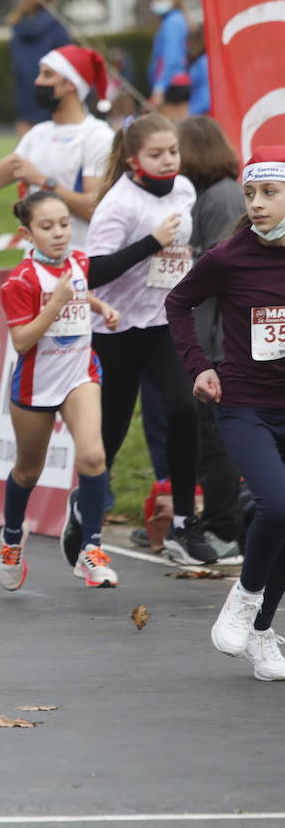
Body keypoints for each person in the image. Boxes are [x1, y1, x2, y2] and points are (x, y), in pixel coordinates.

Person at [165, 146, 285, 680]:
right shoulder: (228, 256)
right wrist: (197, 366)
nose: (257, 204)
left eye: (270, 193)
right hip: (244, 404)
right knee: (278, 505)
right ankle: (245, 595)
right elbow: (177, 303)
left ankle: (262, 632)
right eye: (251, 194)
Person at [82, 112, 215, 565]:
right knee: (112, 431)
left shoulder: (184, 191)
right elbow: (92, 272)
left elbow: (184, 252)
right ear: (134, 159)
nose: (167, 161)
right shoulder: (118, 204)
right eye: (156, 154)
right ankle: (85, 517)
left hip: (164, 323)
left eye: (172, 152)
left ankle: (182, 524)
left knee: (184, 408)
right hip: (117, 329)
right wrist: (152, 243)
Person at [0, 191, 143, 589]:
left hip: (80, 373)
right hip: (36, 384)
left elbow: (80, 289)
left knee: (94, 457)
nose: (59, 233)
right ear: (27, 233)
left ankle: (91, 550)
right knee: (29, 471)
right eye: (47, 227)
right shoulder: (20, 282)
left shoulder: (78, 260)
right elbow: (22, 341)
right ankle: (12, 537)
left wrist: (99, 308)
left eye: (64, 224)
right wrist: (55, 304)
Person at [178, 116, 248, 560]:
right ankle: (213, 518)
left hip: (221, 341)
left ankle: (224, 527)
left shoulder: (221, 196)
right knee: (203, 437)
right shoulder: (203, 195)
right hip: (205, 335)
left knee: (217, 439)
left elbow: (227, 269)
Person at [0, 44, 114, 248]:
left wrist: (43, 181)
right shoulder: (37, 134)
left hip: (78, 264)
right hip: (35, 266)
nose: (38, 81)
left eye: (47, 75)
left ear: (71, 84)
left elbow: (94, 210)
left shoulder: (98, 136)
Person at [6, 0, 70, 137]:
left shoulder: (17, 27)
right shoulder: (56, 27)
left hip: (23, 93)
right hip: (52, 94)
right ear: (51, 0)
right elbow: (69, 61)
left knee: (25, 150)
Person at [148, 0, 189, 108]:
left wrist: (160, 87)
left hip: (172, 83)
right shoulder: (175, 19)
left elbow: (169, 57)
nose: (156, 2)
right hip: (173, 82)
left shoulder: (172, 22)